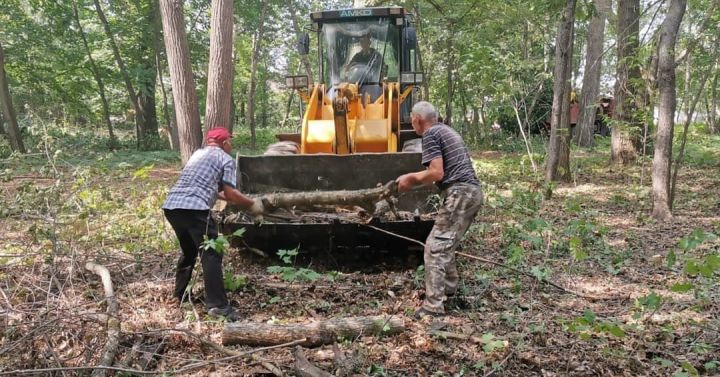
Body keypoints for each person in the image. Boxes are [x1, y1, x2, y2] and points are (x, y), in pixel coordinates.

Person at [162, 127, 263, 321]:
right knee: (212, 253)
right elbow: (231, 193)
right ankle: (218, 306)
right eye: (230, 142)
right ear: (224, 143)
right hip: (194, 209)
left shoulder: (198, 155)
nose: (231, 145)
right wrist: (252, 204)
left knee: (190, 251)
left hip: (172, 206)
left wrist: (236, 198)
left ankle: (180, 294)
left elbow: (209, 187)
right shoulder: (226, 159)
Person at [395, 102, 484, 319]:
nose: (411, 123)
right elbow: (440, 175)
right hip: (472, 193)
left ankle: (433, 307)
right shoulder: (446, 130)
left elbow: (436, 172)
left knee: (434, 248)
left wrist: (410, 178)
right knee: (446, 244)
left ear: (417, 119)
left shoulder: (431, 134)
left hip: (460, 193)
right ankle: (449, 290)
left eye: (412, 119)